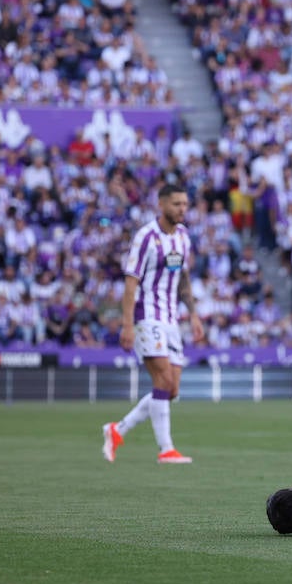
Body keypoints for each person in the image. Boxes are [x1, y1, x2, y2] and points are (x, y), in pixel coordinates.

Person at [101, 184, 206, 464]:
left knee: (171, 390)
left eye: (185, 204)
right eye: (176, 204)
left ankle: (117, 429)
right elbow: (130, 282)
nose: (182, 209)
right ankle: (166, 449)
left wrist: (193, 314)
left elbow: (182, 278)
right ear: (161, 205)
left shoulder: (183, 237)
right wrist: (126, 324)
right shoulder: (146, 237)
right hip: (146, 316)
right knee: (162, 380)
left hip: (171, 319)